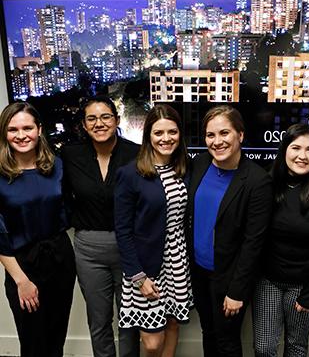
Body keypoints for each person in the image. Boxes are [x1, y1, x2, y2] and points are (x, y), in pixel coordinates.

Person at [252, 123, 309, 357]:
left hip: (307, 284)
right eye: (295, 148)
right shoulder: (267, 181)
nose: (302, 156)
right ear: (284, 149)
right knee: (264, 347)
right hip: (269, 280)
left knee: (295, 344)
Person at [186, 105, 272, 357]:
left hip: (229, 278)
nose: (217, 141)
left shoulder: (257, 181)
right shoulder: (200, 164)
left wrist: (237, 291)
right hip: (199, 272)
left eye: (224, 133)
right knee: (208, 332)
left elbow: (253, 243)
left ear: (240, 135)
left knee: (227, 341)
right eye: (210, 135)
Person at [61, 96, 140, 357]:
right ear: (83, 125)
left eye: (105, 117)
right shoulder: (70, 155)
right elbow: (60, 197)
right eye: (91, 118)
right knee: (99, 321)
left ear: (116, 120)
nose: (99, 123)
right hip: (88, 250)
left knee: (130, 320)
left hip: (129, 249)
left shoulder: (135, 154)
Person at [114, 104, 192, 357]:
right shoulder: (130, 173)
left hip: (178, 261)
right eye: (159, 133)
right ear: (148, 136)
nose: (166, 138)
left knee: (172, 325)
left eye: (172, 132)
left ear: (180, 134)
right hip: (146, 267)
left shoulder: (185, 169)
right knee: (151, 343)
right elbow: (123, 231)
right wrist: (138, 276)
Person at [0, 102, 76, 357]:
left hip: (60, 258)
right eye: (13, 129)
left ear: (39, 129)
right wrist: (21, 280)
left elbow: (67, 209)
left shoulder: (57, 166)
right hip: (21, 264)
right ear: (4, 134)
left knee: (56, 340)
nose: (21, 135)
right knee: (33, 344)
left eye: (27, 128)